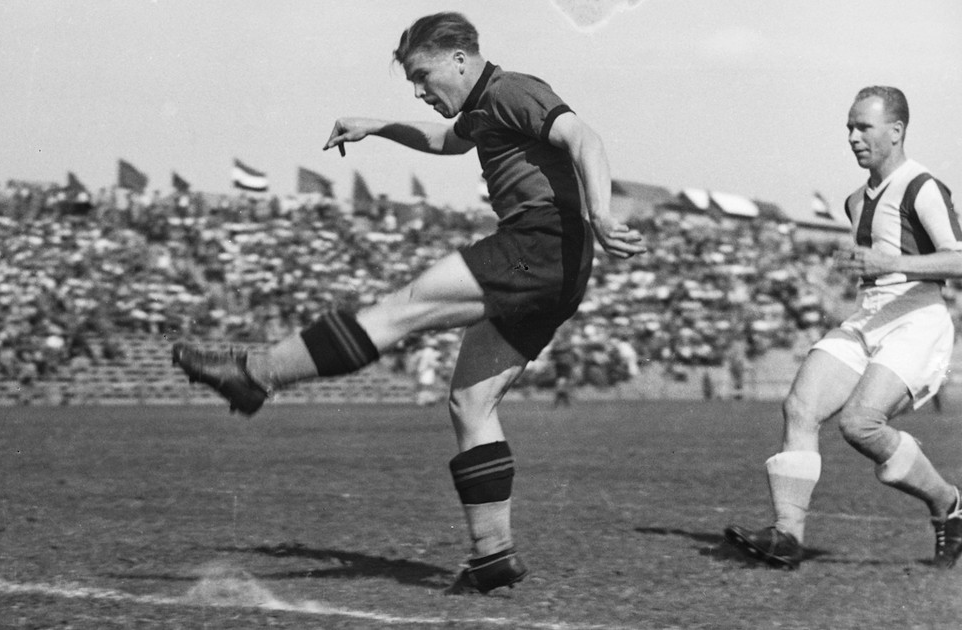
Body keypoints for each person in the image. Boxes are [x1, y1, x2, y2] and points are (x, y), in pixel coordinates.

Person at [173, 12, 645, 594]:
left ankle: (256, 375)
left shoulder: (511, 90)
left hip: (539, 245)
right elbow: (445, 141)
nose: (420, 91)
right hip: (558, 266)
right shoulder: (482, 107)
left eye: (423, 76)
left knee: (401, 308)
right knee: (470, 404)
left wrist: (602, 213)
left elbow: (583, 138)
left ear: (460, 59)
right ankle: (493, 554)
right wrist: (376, 126)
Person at [725, 86, 962, 570]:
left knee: (859, 424)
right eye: (849, 128)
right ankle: (787, 536)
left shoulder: (921, 187)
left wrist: (890, 262)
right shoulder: (855, 200)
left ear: (896, 131)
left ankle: (948, 503)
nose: (853, 137)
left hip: (916, 318)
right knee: (800, 407)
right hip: (869, 315)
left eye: (864, 127)